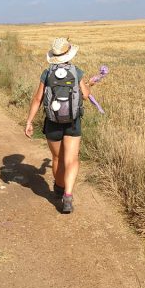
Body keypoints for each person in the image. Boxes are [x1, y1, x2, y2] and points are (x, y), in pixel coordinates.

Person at [24, 37, 91, 214]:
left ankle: (59, 190)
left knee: (57, 159)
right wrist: (88, 85)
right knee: (72, 159)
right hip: (73, 122)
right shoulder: (77, 72)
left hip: (52, 122)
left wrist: (29, 121)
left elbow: (38, 99)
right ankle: (67, 195)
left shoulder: (47, 74)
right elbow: (85, 95)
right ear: (69, 54)